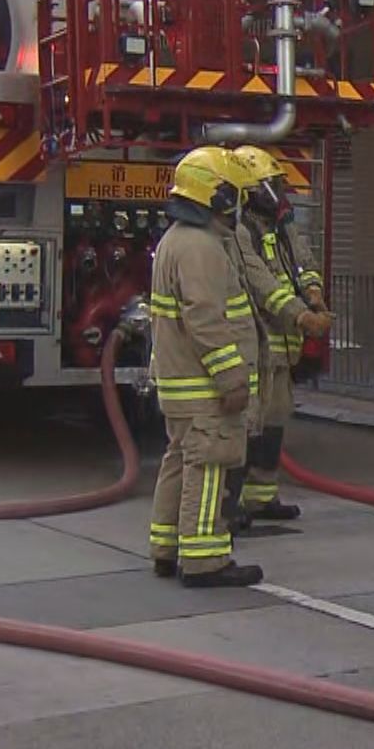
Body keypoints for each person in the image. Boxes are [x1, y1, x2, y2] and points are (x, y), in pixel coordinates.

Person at [146, 146, 264, 587]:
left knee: (178, 460)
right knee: (210, 465)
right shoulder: (201, 248)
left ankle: (167, 545)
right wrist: (231, 378)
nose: (238, 204)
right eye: (233, 194)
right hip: (204, 389)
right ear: (215, 196)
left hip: (180, 386)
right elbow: (207, 322)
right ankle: (203, 557)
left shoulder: (176, 240)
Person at [225, 145, 331, 528]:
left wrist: (314, 293)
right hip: (259, 344)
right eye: (271, 186)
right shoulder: (239, 232)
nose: (279, 194)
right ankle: (230, 505)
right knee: (248, 426)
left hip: (282, 350)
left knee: (274, 421)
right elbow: (263, 285)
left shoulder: (281, 228)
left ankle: (262, 496)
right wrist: (301, 315)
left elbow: (303, 260)